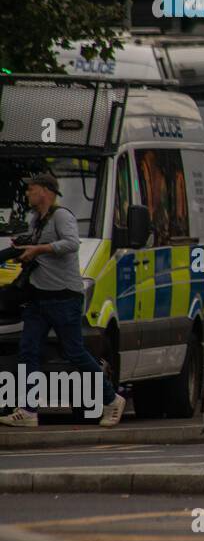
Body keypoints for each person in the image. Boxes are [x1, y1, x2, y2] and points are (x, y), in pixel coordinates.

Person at [0, 175, 126, 428]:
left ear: (46, 192)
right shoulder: (38, 220)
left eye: (31, 190)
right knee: (28, 351)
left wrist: (39, 249)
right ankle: (27, 409)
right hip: (39, 298)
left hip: (64, 298)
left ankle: (112, 399)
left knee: (75, 352)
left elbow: (71, 244)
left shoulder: (62, 216)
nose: (27, 194)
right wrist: (25, 247)